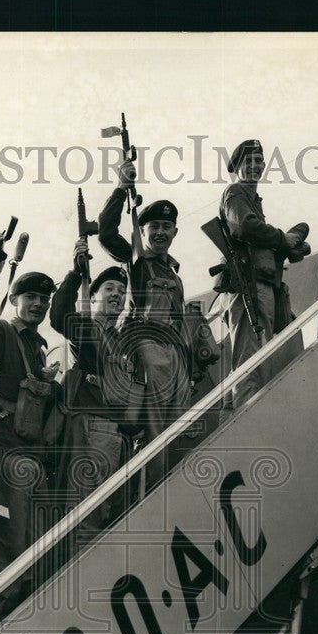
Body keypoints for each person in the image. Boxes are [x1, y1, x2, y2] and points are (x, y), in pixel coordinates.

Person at [0, 245, 58, 626]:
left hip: (30, 463)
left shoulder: (37, 347)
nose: (38, 304)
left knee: (37, 548)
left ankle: (20, 625)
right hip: (7, 463)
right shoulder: (3, 334)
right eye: (30, 297)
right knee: (7, 550)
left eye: (44, 299)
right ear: (15, 300)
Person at [98, 162, 202, 486]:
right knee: (155, 432)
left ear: (174, 231)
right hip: (146, 348)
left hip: (175, 356)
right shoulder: (136, 260)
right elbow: (105, 231)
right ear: (143, 232)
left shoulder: (175, 274)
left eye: (165, 226)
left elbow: (181, 320)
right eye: (153, 226)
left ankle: (174, 487)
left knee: (179, 427)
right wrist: (120, 187)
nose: (159, 232)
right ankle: (155, 495)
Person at [218, 138, 311, 411]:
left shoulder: (252, 200)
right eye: (250, 161)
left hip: (263, 285)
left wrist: (290, 246)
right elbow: (244, 228)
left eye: (260, 161)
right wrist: (283, 239)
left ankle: (243, 411)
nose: (256, 166)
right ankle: (246, 416)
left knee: (258, 355)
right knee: (250, 359)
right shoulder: (235, 193)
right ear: (237, 166)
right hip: (249, 285)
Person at [49, 252, 130, 531]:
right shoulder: (88, 328)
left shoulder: (120, 340)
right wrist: (74, 273)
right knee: (87, 511)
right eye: (109, 288)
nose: (117, 294)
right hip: (92, 427)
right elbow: (59, 315)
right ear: (93, 296)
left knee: (105, 510)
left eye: (122, 291)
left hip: (115, 434)